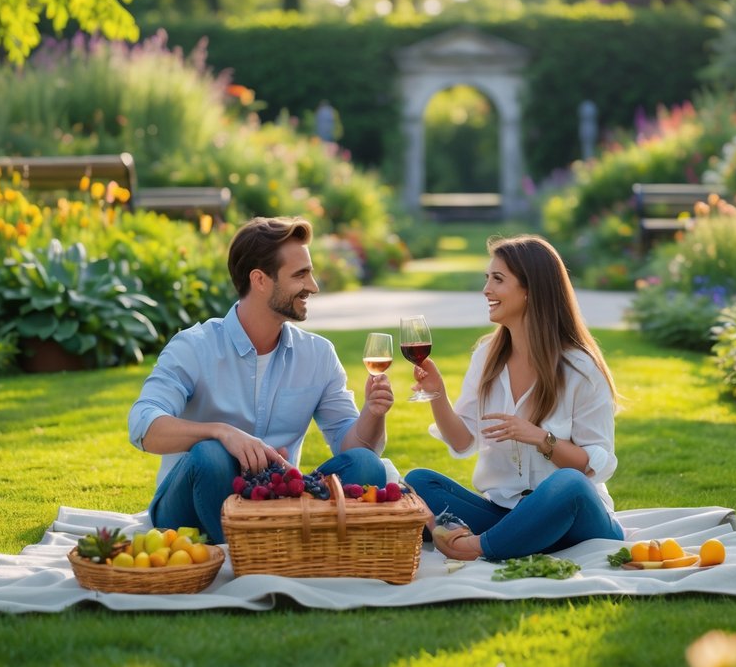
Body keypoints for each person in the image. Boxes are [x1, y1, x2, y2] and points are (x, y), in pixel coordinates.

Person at [128, 216, 391, 542]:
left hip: (278, 500)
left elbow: (352, 446)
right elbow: (142, 426)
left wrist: (373, 414)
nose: (313, 286)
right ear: (260, 280)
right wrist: (222, 433)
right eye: (300, 275)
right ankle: (259, 550)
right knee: (211, 455)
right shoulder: (194, 347)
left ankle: (270, 546)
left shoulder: (318, 355)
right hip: (188, 508)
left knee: (367, 467)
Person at [404, 234, 624, 561]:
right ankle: (509, 538)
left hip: (573, 520)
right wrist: (438, 394)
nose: (486, 290)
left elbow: (597, 466)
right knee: (419, 481)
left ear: (530, 290)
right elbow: (463, 442)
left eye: (498, 279)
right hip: (506, 515)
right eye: (486, 278)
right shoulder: (485, 357)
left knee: (568, 484)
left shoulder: (580, 369)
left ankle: (473, 546)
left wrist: (542, 439)